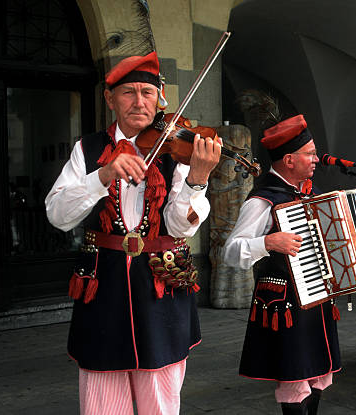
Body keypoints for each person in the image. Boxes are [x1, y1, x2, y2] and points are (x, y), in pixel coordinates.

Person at [45, 51, 221, 414]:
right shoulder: (87, 149)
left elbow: (176, 226)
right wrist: (102, 176)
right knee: (102, 400)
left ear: (159, 99)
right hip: (103, 284)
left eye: (147, 92)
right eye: (128, 92)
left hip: (159, 282)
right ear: (110, 99)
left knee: (160, 399)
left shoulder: (176, 150)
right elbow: (58, 215)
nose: (140, 101)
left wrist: (197, 181)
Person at [222, 114, 356, 415]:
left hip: (317, 297)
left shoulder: (307, 194)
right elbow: (230, 252)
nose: (316, 159)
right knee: (294, 379)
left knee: (318, 374)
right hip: (285, 304)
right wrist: (268, 243)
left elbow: (332, 238)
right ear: (288, 159)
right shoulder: (262, 201)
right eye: (309, 153)